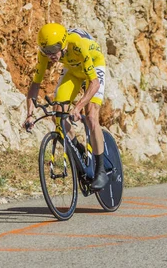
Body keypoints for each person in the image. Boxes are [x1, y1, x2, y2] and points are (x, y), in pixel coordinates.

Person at [23, 22, 108, 190]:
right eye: (46, 50)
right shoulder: (45, 54)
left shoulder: (77, 44)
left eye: (54, 49)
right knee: (57, 114)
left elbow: (94, 83)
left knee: (91, 116)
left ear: (63, 43)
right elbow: (35, 85)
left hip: (94, 66)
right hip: (73, 70)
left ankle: (101, 170)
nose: (51, 55)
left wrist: (78, 107)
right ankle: (78, 148)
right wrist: (29, 114)